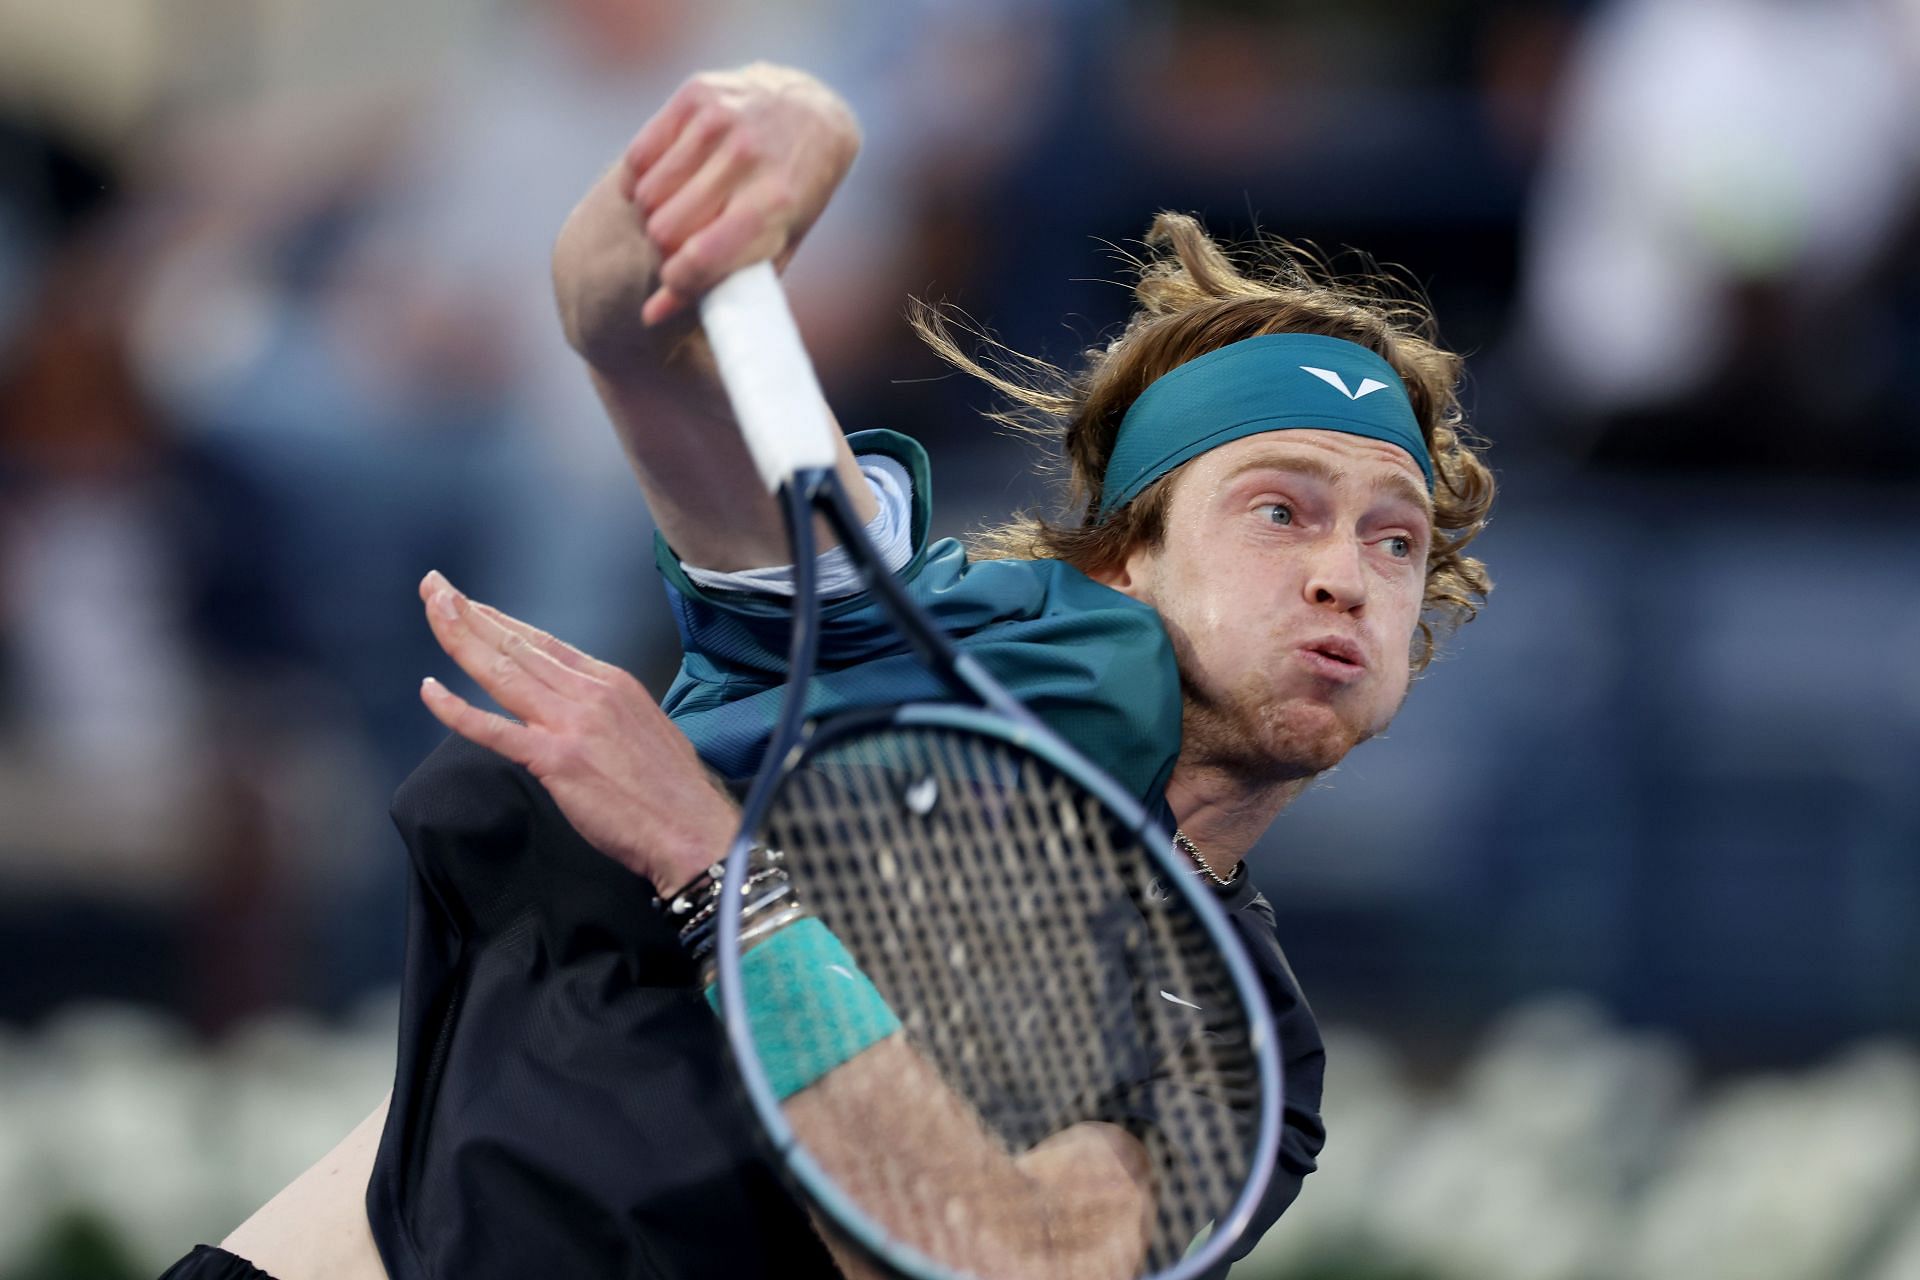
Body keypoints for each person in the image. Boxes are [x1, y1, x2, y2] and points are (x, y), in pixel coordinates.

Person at [159, 60, 1494, 1280]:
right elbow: (625, 322)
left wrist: (712, 866)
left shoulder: (1244, 1037)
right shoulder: (876, 633)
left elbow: (1020, 1266)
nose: (1346, 576)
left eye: (1395, 540)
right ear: (1125, 562)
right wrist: (763, 130)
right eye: (1281, 510)